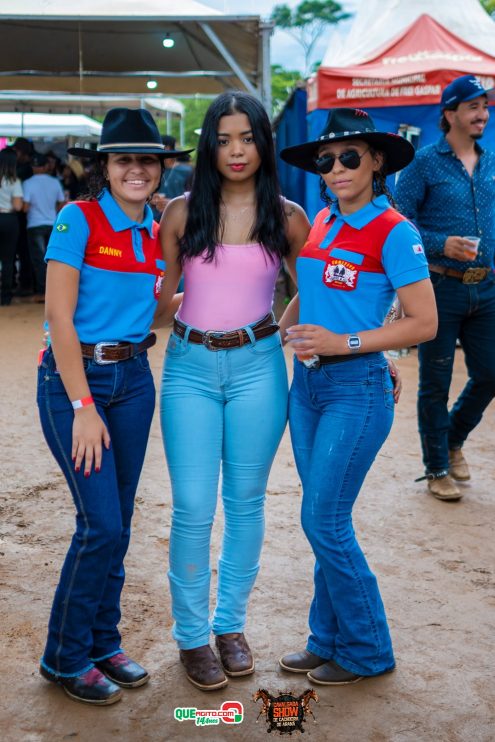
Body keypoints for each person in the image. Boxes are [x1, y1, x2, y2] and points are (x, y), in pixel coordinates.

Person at [277, 107, 437, 685]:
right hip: (309, 388)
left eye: (350, 156)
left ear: (375, 161)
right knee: (325, 517)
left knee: (324, 520)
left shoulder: (395, 230)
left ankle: (369, 650)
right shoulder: (321, 221)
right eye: (327, 158)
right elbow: (310, 293)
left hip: (357, 389)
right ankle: (327, 639)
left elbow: (424, 323)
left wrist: (346, 342)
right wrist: (284, 328)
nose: (337, 167)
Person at [156, 91, 310, 691]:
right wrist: (96, 326)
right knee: (193, 505)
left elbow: (318, 289)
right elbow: (162, 303)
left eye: (247, 137)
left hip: (258, 369)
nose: (236, 150)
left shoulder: (289, 215)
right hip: (189, 369)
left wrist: (279, 327)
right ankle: (191, 636)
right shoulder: (180, 214)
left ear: (264, 142)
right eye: (223, 139)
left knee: (246, 502)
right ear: (208, 146)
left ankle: (229, 627)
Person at [37, 108, 184, 705]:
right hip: (77, 386)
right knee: (98, 526)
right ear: (105, 166)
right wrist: (81, 404)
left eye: (147, 160)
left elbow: (153, 312)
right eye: (124, 159)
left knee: (118, 525)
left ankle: (103, 641)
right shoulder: (79, 219)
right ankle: (64, 658)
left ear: (159, 169)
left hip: (133, 380)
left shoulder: (156, 231)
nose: (136, 169)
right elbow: (58, 318)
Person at [395, 75, 495, 501]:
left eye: (485, 107)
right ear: (449, 114)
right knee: (434, 382)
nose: (482, 114)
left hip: (487, 287)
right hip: (440, 286)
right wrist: (440, 243)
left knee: (490, 373)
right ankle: (436, 467)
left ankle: (452, 439)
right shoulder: (424, 163)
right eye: (473, 107)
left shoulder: (491, 161)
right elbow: (398, 219)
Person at [23, 152, 65, 302]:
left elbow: (25, 206)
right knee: (54, 259)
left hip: (35, 224)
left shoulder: (28, 183)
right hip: (53, 224)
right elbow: (62, 202)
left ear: (33, 167)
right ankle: (56, 291)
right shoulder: (54, 182)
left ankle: (43, 292)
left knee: (39, 260)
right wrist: (53, 212)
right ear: (45, 166)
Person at [0, 147, 23, 306]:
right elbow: (18, 206)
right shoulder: (15, 181)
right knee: (8, 260)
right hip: (9, 219)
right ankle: (5, 297)